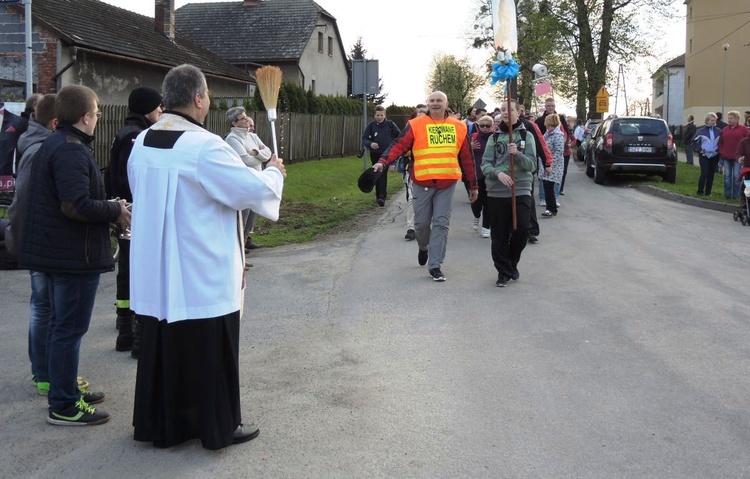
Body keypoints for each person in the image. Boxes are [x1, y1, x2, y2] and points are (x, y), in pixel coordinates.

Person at [128, 64, 286, 450]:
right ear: (198, 98)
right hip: (201, 268)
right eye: (209, 95)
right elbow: (249, 191)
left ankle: (162, 424)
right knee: (211, 348)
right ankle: (218, 425)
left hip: (158, 267)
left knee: (164, 343)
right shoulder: (205, 146)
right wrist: (275, 172)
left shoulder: (143, 141)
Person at [19, 85, 131, 426]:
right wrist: (114, 210)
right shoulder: (69, 150)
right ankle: (64, 404)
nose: (97, 119)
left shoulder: (59, 142)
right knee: (68, 330)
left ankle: (64, 389)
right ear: (85, 117)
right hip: (70, 257)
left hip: (60, 252)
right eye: (96, 113)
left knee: (60, 327)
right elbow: (75, 205)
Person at [372, 91, 478, 282]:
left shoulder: (459, 127)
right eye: (432, 100)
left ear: (446, 104)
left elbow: (467, 158)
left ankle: (435, 265)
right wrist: (383, 162)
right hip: (422, 181)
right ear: (428, 103)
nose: (435, 103)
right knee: (421, 225)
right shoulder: (416, 124)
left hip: (447, 183)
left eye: (439, 101)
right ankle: (423, 247)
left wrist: (472, 185)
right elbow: (399, 145)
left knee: (441, 223)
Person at [109, 86, 163, 357]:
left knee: (127, 273)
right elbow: (134, 178)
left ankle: (125, 328)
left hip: (124, 210)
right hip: (134, 212)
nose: (161, 111)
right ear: (147, 109)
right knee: (137, 272)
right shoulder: (139, 136)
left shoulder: (125, 132)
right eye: (157, 107)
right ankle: (136, 335)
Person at [481, 100, 537, 287]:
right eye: (503, 109)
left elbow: (532, 165)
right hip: (497, 192)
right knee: (499, 234)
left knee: (522, 229)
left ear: (518, 112)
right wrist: (499, 173)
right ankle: (503, 272)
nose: (506, 112)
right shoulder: (493, 138)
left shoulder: (526, 135)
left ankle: (511, 263)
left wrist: (518, 155)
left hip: (520, 189)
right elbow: (485, 165)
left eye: (510, 109)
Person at [225, 107, 272, 250]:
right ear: (234, 123)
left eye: (246, 117)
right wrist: (260, 157)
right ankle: (238, 251)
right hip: (244, 185)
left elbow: (268, 152)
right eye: (243, 118)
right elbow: (245, 161)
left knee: (251, 219)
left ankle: (244, 246)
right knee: (242, 220)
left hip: (257, 182)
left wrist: (256, 152)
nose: (247, 120)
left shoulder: (253, 136)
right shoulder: (232, 139)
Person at [387, 105, 426, 241]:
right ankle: (411, 228)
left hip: (430, 172)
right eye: (418, 114)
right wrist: (390, 162)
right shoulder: (408, 132)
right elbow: (398, 147)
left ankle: (425, 226)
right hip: (412, 170)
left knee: (426, 202)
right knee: (411, 199)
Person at [362, 105, 400, 206]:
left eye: (381, 115)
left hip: (387, 154)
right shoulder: (371, 126)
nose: (379, 117)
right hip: (375, 154)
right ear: (374, 115)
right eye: (377, 115)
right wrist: (371, 144)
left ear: (385, 115)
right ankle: (378, 195)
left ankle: (382, 196)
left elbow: (399, 136)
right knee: (377, 173)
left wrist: (393, 148)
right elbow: (364, 139)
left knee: (382, 173)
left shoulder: (390, 125)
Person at [470, 115, 495, 237]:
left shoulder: (496, 138)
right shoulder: (473, 137)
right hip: (476, 175)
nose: (484, 128)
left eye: (487, 126)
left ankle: (486, 227)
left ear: (492, 126)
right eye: (482, 125)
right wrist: (470, 147)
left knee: (489, 202)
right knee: (476, 202)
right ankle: (476, 215)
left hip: (490, 175)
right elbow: (463, 153)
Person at [717, 111, 750, 199]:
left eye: (731, 118)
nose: (729, 120)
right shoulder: (725, 129)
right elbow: (720, 142)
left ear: (737, 119)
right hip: (726, 157)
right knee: (727, 176)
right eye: (728, 118)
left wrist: (744, 155)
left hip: (738, 158)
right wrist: (722, 152)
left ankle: (736, 195)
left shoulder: (743, 129)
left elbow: (748, 141)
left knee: (736, 176)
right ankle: (727, 195)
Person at [692, 112, 722, 196]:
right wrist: (699, 150)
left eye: (714, 120)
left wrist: (719, 151)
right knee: (704, 173)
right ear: (707, 121)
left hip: (714, 155)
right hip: (704, 155)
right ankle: (700, 191)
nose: (713, 122)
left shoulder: (719, 131)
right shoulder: (702, 131)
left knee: (711, 174)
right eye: (712, 120)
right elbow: (694, 142)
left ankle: (708, 192)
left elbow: (722, 142)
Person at [541, 114, 564, 217]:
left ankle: (550, 208)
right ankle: (551, 208)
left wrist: (550, 165)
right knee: (547, 186)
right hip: (547, 164)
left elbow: (558, 152)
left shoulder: (558, 135)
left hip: (554, 166)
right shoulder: (548, 133)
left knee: (549, 186)